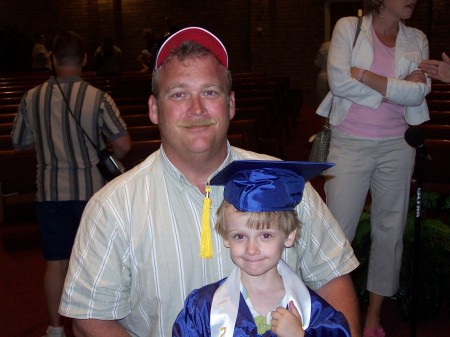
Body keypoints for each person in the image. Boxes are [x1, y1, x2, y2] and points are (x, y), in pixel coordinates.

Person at [59, 27, 361, 337]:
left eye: (210, 92)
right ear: (154, 109)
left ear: (230, 104)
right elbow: (90, 317)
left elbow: (332, 278)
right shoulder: (114, 207)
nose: (197, 109)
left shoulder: (283, 183)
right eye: (178, 93)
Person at [315, 1, 430, 337]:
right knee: (338, 232)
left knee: (389, 232)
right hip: (350, 142)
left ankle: (373, 316)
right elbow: (339, 83)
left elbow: (419, 92)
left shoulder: (417, 38)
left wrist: (365, 76)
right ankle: (334, 308)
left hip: (398, 145)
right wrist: (397, 88)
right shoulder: (348, 27)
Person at [11, 30, 131, 337]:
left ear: (52, 59)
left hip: (49, 192)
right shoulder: (98, 98)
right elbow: (124, 144)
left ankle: (54, 329)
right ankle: (85, 325)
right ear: (84, 60)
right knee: (91, 262)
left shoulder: (32, 97)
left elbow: (19, 142)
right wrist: (107, 154)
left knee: (56, 262)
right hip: (90, 195)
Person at [173, 160, 351, 337]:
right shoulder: (203, 308)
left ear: (289, 236)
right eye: (240, 236)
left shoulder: (315, 313)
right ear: (226, 237)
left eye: (265, 235)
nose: (251, 249)